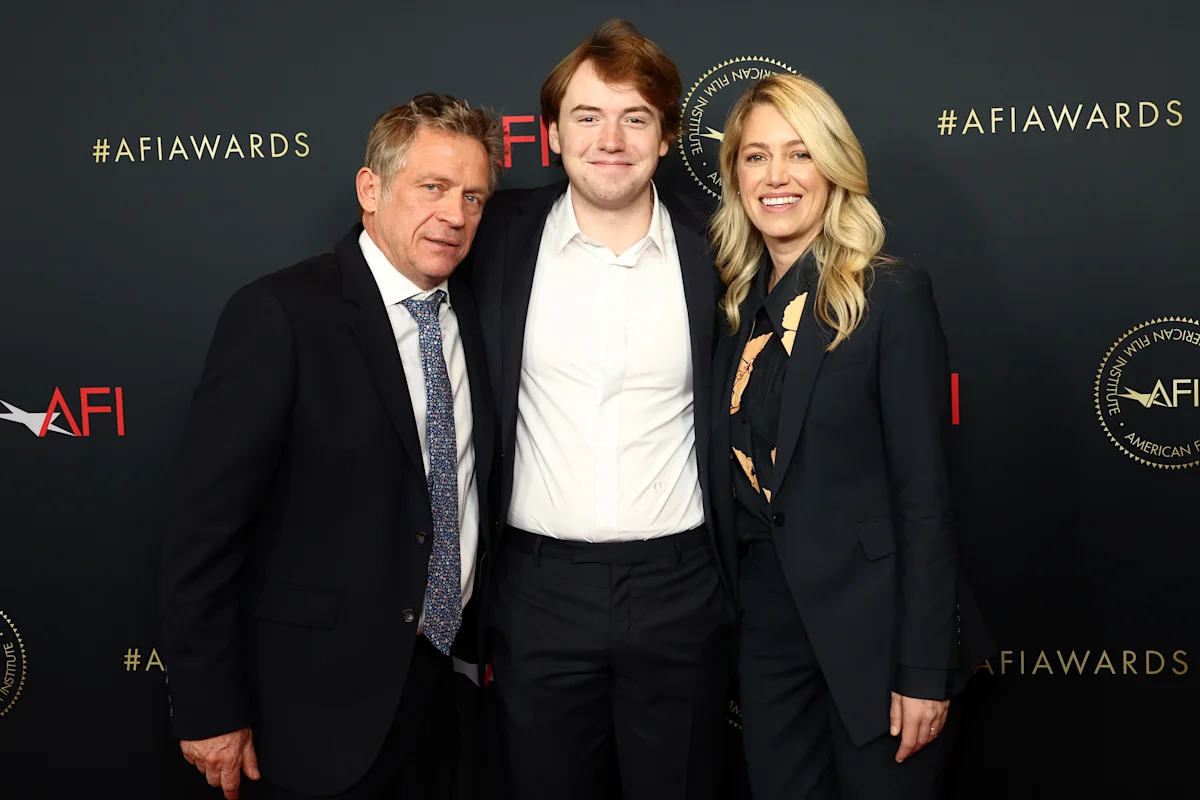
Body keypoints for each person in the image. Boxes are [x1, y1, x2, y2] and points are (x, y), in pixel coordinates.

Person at [159, 93, 504, 800]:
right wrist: (208, 707)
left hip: (448, 694)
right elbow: (202, 532)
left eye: (473, 197)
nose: (455, 214)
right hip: (317, 709)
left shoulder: (476, 313)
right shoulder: (281, 314)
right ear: (370, 190)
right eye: (433, 187)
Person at [460, 19, 734, 800]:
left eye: (635, 117)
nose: (610, 140)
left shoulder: (720, 246)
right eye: (587, 116)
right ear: (551, 133)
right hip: (536, 591)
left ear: (667, 134)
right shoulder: (493, 236)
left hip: (683, 586)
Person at [708, 74, 994, 799]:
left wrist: (923, 667)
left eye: (799, 153)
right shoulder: (733, 314)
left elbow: (925, 500)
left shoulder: (889, 296)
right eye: (756, 157)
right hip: (767, 633)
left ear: (833, 168)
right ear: (735, 176)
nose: (776, 176)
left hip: (878, 632)